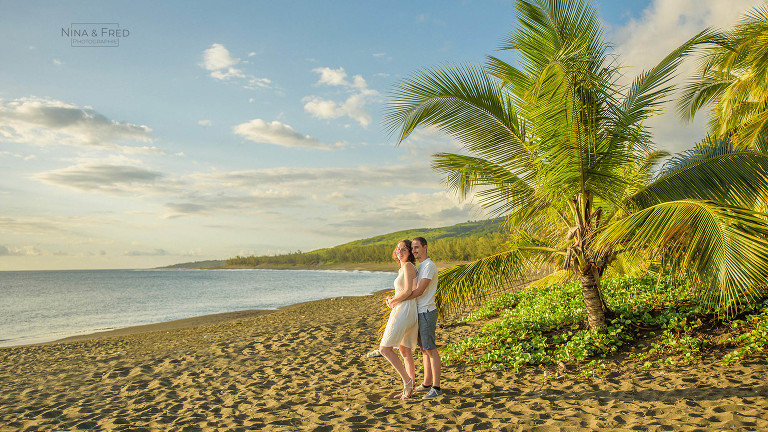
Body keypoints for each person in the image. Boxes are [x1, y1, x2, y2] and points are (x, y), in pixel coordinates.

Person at [380, 239, 419, 400]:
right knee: (404, 351)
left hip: (405, 309)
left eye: (403, 249)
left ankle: (407, 381)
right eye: (398, 249)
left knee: (384, 349)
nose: (399, 252)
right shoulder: (403, 267)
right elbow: (403, 290)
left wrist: (393, 300)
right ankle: (410, 389)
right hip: (404, 307)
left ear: (410, 252)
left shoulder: (409, 266)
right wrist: (394, 298)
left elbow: (409, 291)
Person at [409, 237, 443, 400]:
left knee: (430, 349)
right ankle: (427, 383)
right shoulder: (420, 266)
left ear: (425, 247)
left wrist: (400, 299)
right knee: (424, 349)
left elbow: (420, 290)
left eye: (416, 247)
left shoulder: (429, 266)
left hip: (427, 311)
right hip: (419, 311)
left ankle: (436, 388)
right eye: (412, 248)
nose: (414, 250)